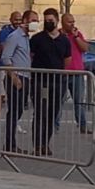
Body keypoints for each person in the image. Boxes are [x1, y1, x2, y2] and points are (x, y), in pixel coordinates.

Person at [30, 8, 71, 155]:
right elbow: (31, 56)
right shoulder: (37, 39)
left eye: (51, 21)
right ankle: (36, 145)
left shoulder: (64, 40)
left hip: (57, 82)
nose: (48, 23)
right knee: (40, 113)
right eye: (46, 20)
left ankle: (45, 144)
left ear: (56, 20)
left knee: (52, 114)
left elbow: (67, 60)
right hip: (40, 81)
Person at [0, 10, 37, 153]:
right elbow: (6, 57)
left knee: (20, 109)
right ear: (25, 21)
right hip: (16, 78)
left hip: (25, 77)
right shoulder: (14, 36)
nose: (36, 23)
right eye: (33, 20)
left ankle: (12, 143)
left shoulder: (27, 38)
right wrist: (13, 77)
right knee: (14, 111)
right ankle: (9, 143)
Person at [60, 13, 92, 134]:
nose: (72, 24)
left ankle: (82, 125)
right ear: (63, 22)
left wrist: (76, 37)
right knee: (59, 101)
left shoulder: (77, 35)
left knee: (79, 101)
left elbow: (85, 48)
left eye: (73, 21)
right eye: (69, 22)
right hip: (62, 72)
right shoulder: (58, 35)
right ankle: (55, 126)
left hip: (77, 72)